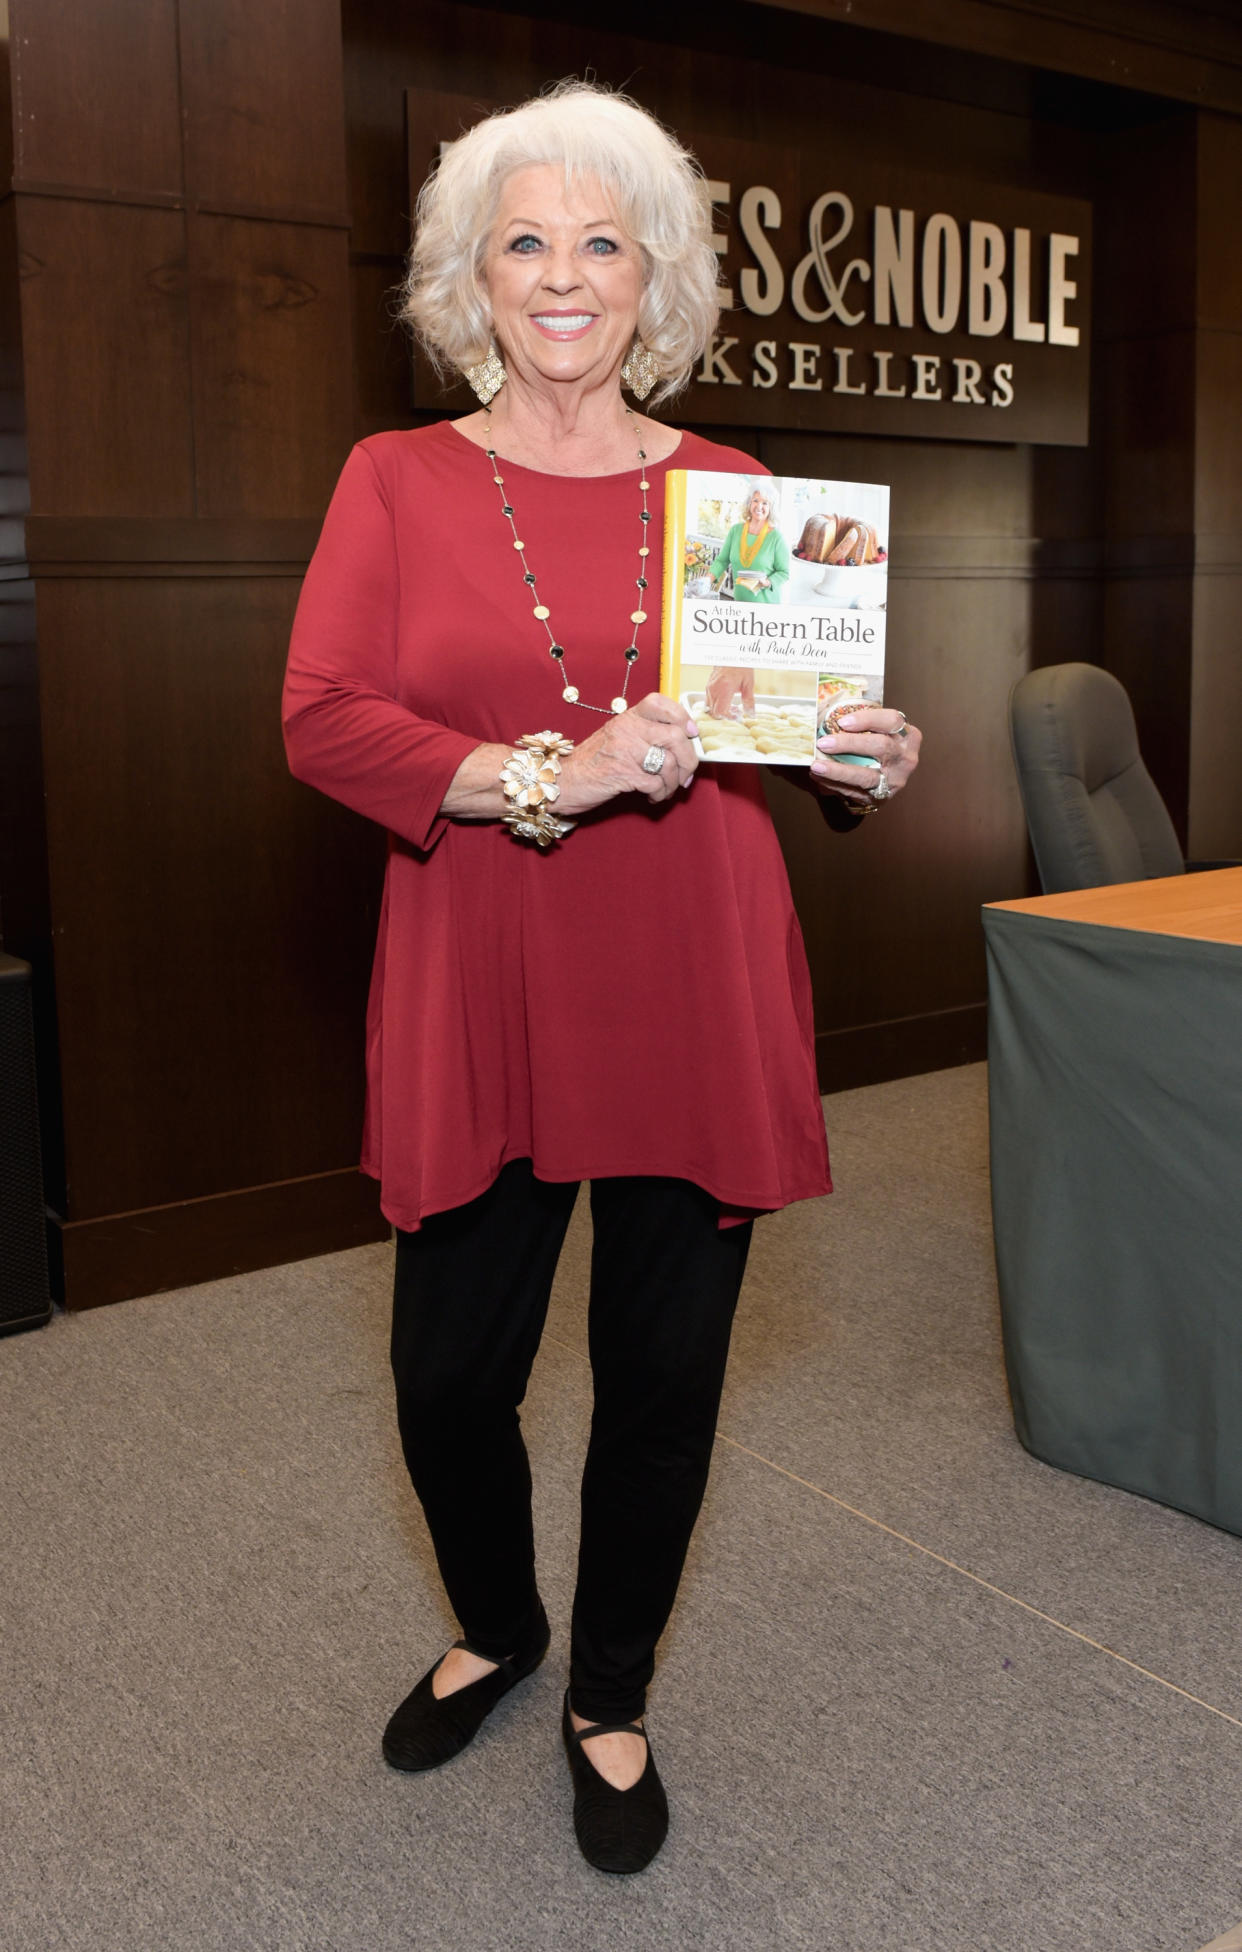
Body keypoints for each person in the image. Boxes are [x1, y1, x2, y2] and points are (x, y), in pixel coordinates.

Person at [282, 79, 920, 1877]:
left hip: (691, 970)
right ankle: (498, 1619)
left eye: (601, 242)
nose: (564, 276)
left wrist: (860, 756)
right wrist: (547, 774)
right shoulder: (391, 478)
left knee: (661, 1378)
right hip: (482, 955)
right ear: (470, 281)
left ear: (655, 279)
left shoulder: (732, 486)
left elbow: (793, 738)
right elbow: (324, 719)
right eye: (525, 242)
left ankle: (609, 1689)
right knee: (440, 1377)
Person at [709, 485, 790, 604]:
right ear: (749, 504)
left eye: (765, 503)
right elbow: (722, 561)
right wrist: (707, 580)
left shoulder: (776, 537)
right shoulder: (735, 531)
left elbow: (784, 572)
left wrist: (767, 582)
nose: (759, 506)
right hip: (740, 600)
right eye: (755, 500)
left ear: (771, 508)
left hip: (766, 603)